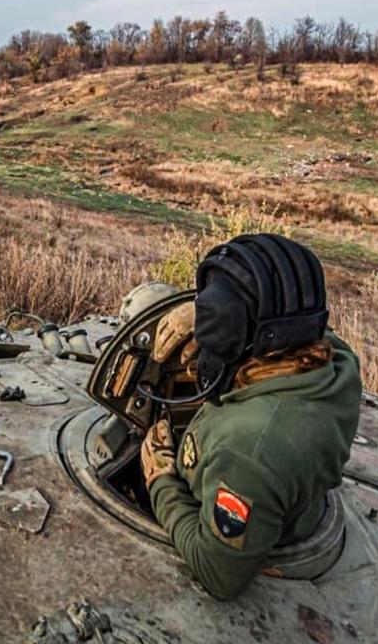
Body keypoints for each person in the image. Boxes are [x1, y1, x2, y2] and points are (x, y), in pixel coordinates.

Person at [140, 233, 361, 600]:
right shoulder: (339, 363)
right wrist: (203, 313)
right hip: (292, 502)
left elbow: (219, 575)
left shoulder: (249, 449)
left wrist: (161, 481)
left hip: (252, 539)